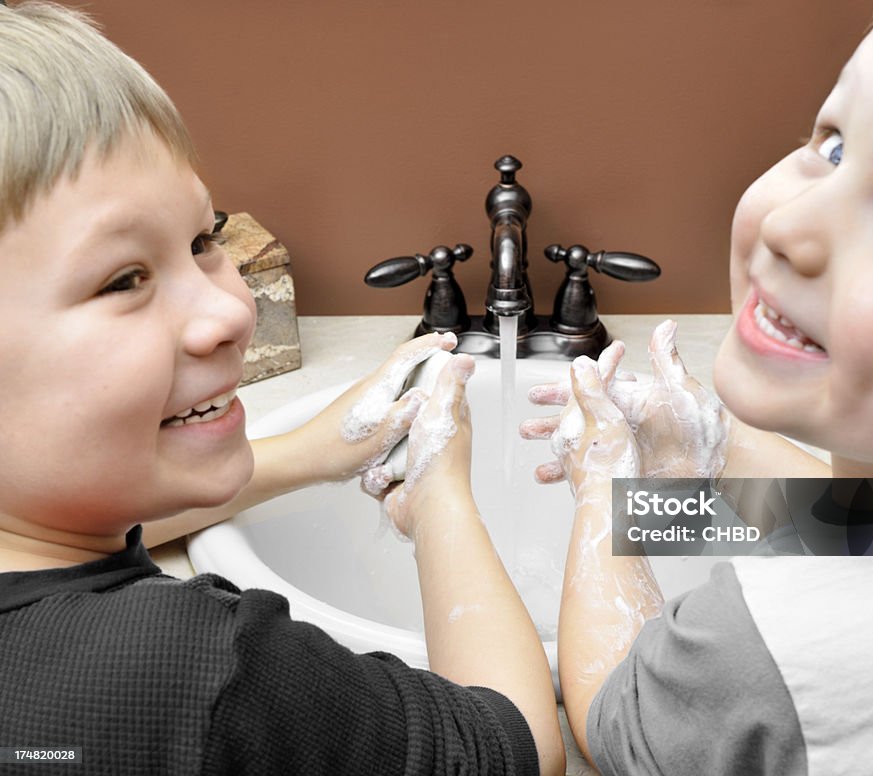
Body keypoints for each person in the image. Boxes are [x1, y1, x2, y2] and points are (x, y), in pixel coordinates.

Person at [0, 3, 564, 774]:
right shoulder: (199, 674)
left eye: (204, 240)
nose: (232, 309)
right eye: (124, 278)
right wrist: (440, 498)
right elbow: (512, 748)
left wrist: (310, 453)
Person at [522, 0, 873, 772]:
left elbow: (614, 718)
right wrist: (717, 459)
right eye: (833, 146)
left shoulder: (773, 644)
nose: (792, 226)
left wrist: (603, 494)